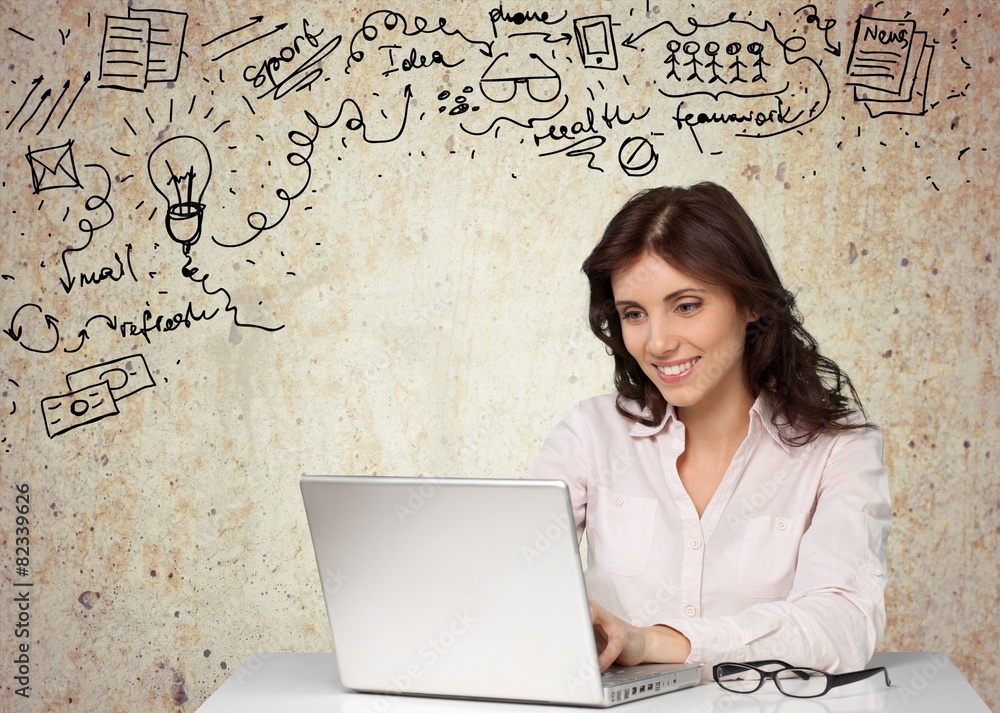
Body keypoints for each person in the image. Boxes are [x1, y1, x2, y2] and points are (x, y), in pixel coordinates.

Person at [529, 182, 891, 677]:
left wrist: (658, 642)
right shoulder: (590, 435)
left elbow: (844, 623)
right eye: (634, 314)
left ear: (751, 303)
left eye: (686, 306)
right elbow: (513, 581)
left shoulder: (839, 448)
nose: (657, 342)